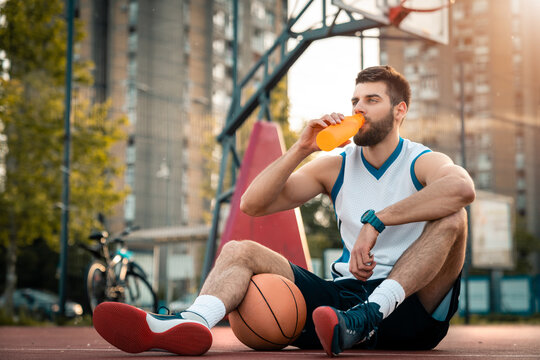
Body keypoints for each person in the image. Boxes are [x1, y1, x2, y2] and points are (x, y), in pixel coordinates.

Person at [93, 65, 475, 356]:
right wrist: (301, 149)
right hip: (341, 304)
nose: (358, 108)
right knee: (239, 250)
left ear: (399, 110)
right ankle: (191, 323)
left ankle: (370, 315)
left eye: (371, 100)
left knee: (454, 215)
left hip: (410, 309)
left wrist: (376, 221)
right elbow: (252, 204)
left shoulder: (421, 161)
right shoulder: (337, 164)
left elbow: (462, 188)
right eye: (355, 101)